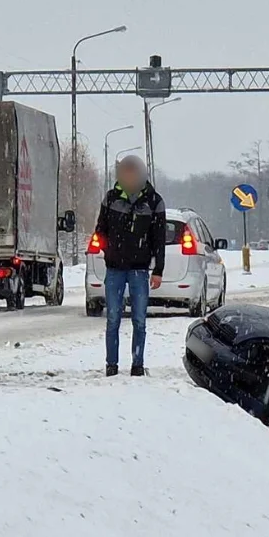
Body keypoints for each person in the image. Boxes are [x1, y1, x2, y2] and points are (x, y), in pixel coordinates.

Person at [94, 155, 166, 376]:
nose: (129, 176)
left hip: (139, 270)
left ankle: (137, 364)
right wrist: (109, 250)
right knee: (113, 318)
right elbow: (100, 230)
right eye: (125, 172)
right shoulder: (111, 199)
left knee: (139, 320)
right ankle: (111, 365)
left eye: (133, 172)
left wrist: (158, 270)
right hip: (115, 269)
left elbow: (159, 239)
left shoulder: (153, 202)